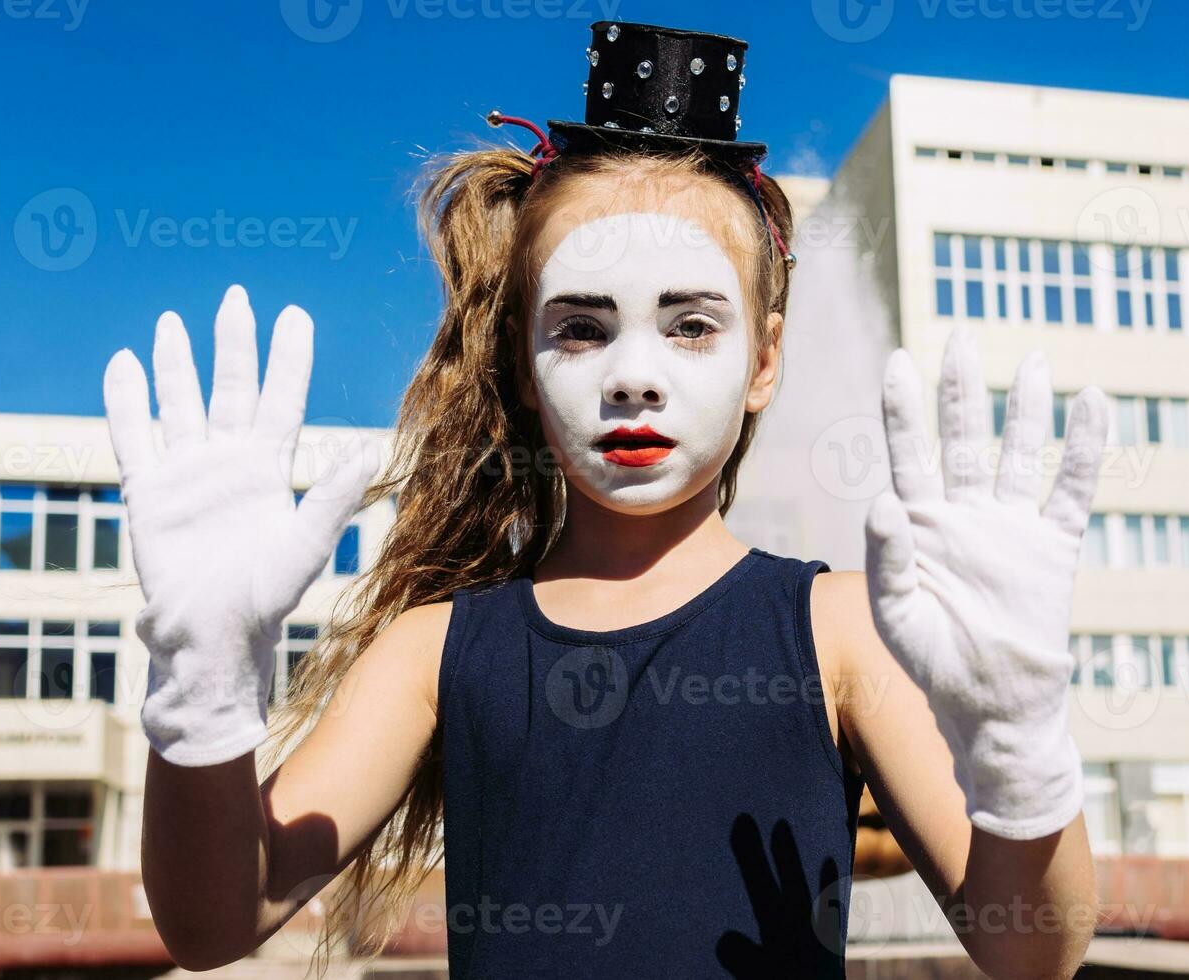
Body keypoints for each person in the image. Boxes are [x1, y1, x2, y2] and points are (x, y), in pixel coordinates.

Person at [103, 21, 1104, 979]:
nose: (634, 374)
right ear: (526, 367)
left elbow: (1031, 949)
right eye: (582, 328)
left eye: (690, 324)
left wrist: (1020, 738)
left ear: (764, 360)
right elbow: (210, 920)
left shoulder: (841, 628)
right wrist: (200, 691)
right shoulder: (433, 649)